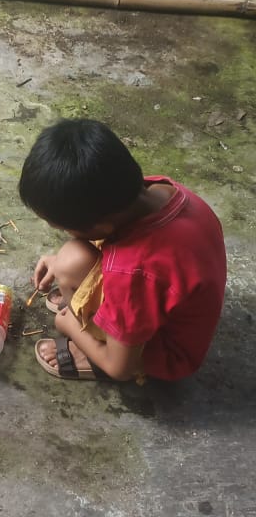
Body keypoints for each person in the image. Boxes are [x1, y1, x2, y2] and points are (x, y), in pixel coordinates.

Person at [18, 118, 227, 382]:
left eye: (63, 227)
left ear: (103, 226)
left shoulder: (133, 271)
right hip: (177, 304)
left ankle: (92, 350)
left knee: (71, 263)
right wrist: (58, 261)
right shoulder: (157, 189)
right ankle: (93, 309)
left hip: (167, 354)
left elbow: (120, 369)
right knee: (68, 261)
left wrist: (70, 325)